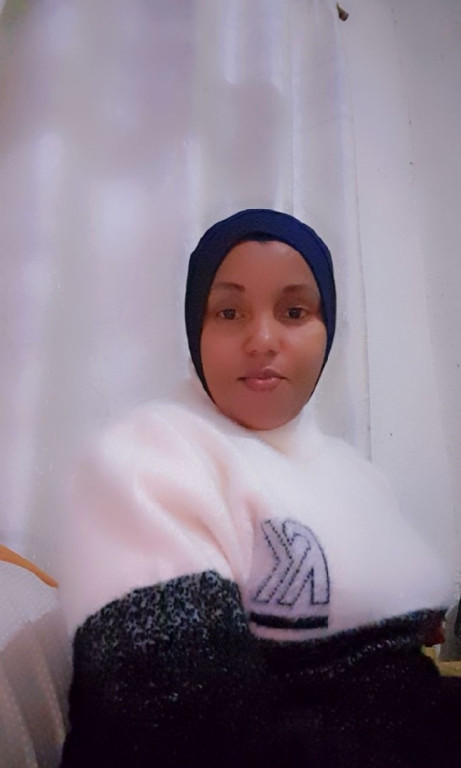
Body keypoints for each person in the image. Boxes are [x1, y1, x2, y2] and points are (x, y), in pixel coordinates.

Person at [59, 209, 459, 767]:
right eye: (229, 312)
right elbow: (177, 731)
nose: (262, 340)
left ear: (328, 329)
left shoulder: (357, 476)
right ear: (196, 328)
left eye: (294, 312)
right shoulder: (147, 455)